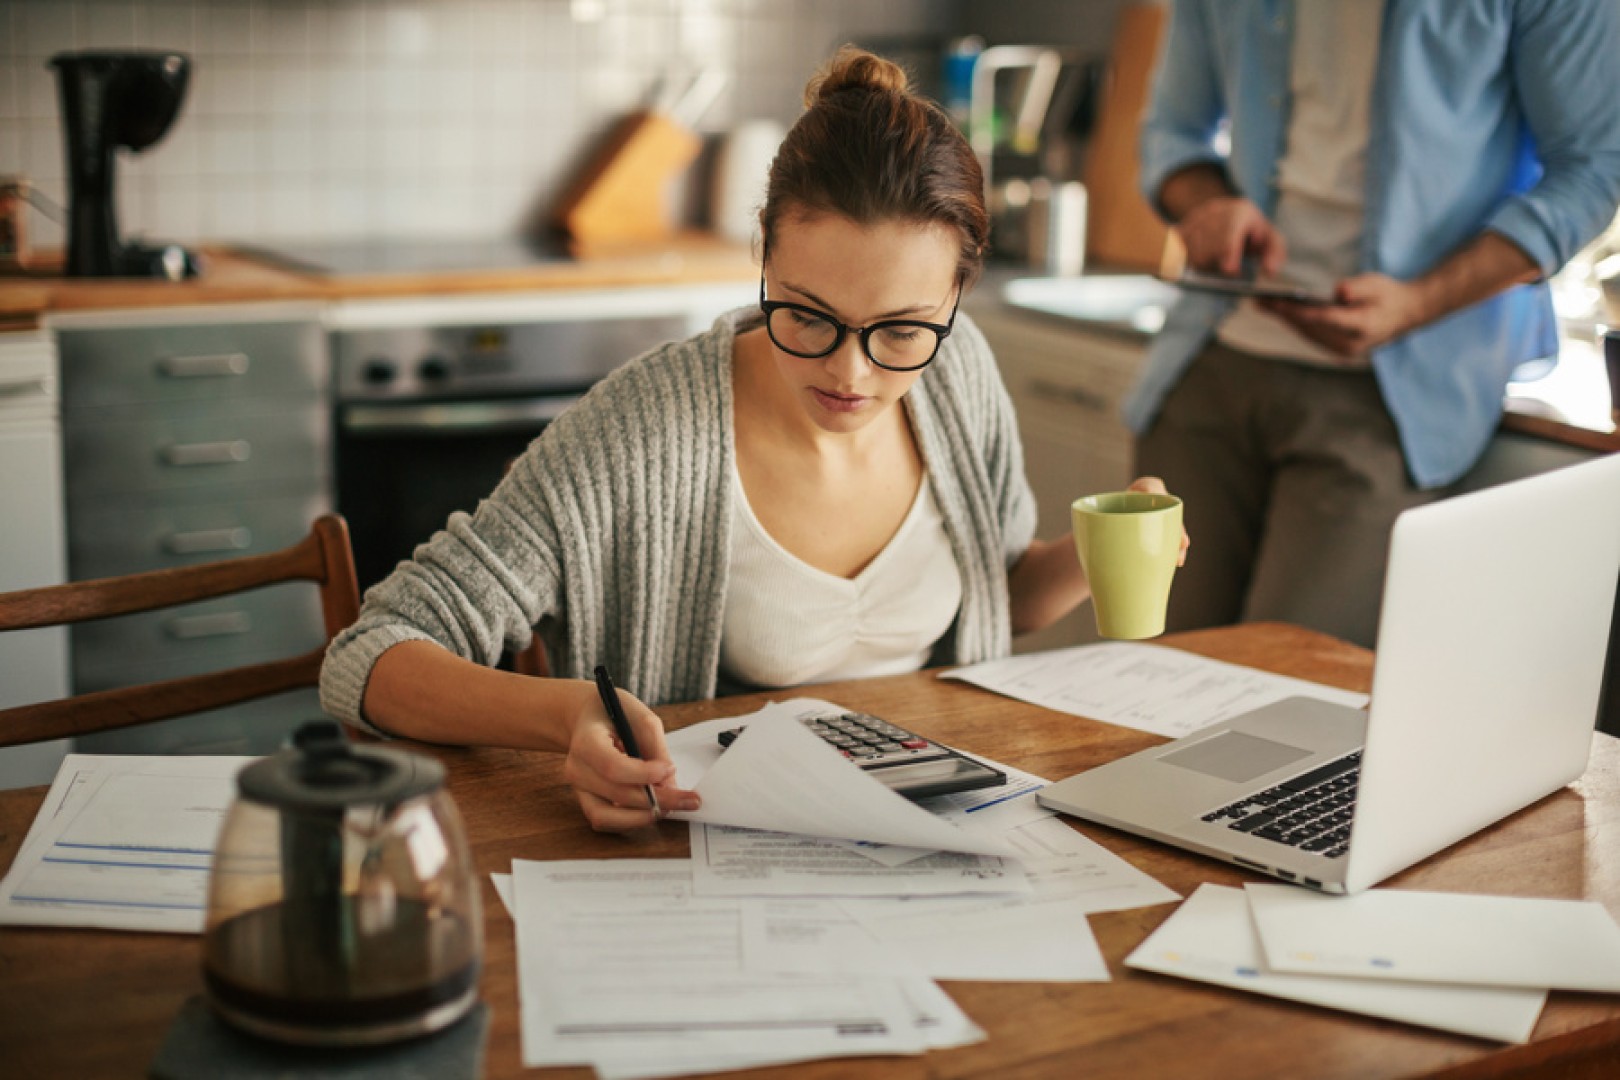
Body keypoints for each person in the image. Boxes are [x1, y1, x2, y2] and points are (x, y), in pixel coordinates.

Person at [319, 46, 1182, 833]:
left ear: (957, 296)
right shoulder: (648, 428)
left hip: (943, 832)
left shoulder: (961, 378)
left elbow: (1004, 591)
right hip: (721, 862)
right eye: (808, 315)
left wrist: (1106, 545)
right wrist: (567, 714)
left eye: (903, 330)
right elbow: (371, 656)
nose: (852, 373)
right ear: (763, 258)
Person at [1125, 0, 1620, 647]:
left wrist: (1415, 303)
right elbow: (1170, 133)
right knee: (1149, 674)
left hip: (1395, 399)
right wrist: (1210, 204)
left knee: (1286, 705)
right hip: (1210, 362)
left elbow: (1594, 168)